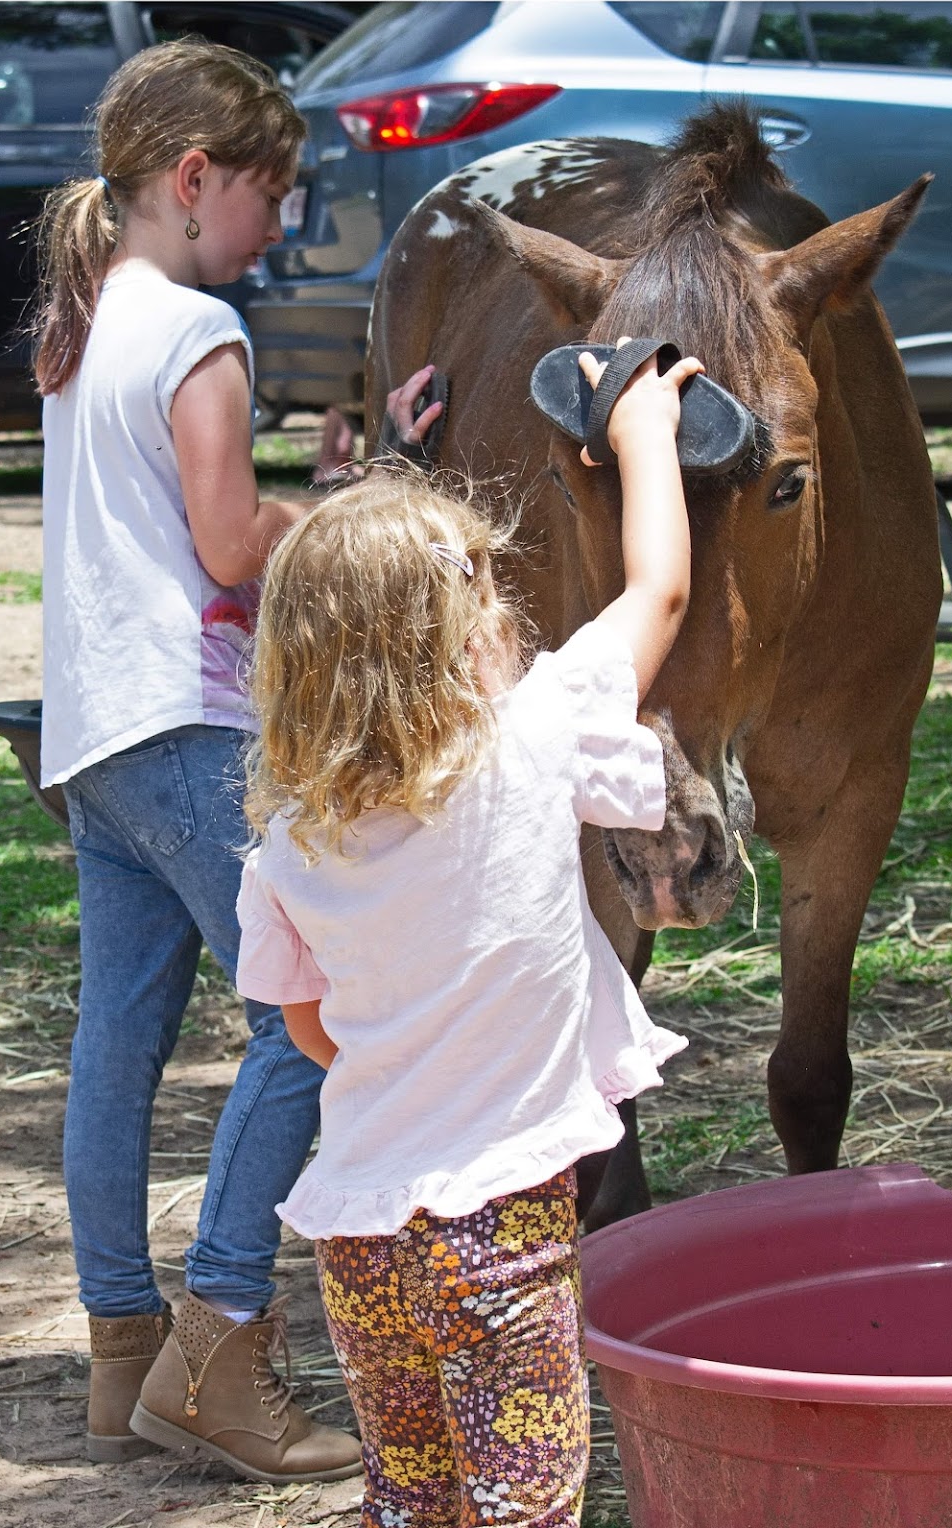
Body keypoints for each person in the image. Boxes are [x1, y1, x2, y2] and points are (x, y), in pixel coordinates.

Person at [229, 344, 700, 1524]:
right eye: (483, 597)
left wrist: (421, 1048)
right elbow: (660, 596)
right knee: (525, 1500)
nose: (506, 613)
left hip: (359, 1240)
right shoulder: (529, 745)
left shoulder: (289, 839)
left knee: (416, 1497)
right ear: (454, 641)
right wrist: (643, 436)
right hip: (503, 1228)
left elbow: (309, 1027)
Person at [32, 39, 376, 1482]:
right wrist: (351, 527)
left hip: (90, 732)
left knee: (120, 1031)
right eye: (272, 190)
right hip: (188, 718)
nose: (281, 222)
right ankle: (223, 1345)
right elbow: (232, 547)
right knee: (313, 1013)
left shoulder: (88, 316)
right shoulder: (200, 329)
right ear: (194, 178)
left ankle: (125, 1354)